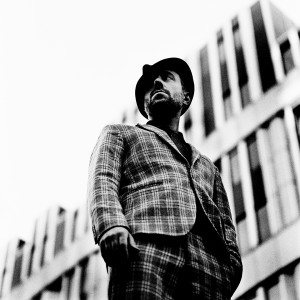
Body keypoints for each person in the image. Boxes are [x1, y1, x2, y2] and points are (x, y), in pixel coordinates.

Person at [87, 57, 243, 299]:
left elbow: (226, 223)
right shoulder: (120, 133)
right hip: (143, 247)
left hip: (210, 270)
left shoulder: (208, 166)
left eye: (166, 78)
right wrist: (111, 225)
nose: (157, 82)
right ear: (145, 104)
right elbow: (103, 179)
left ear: (186, 97)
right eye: (150, 85)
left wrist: (231, 267)